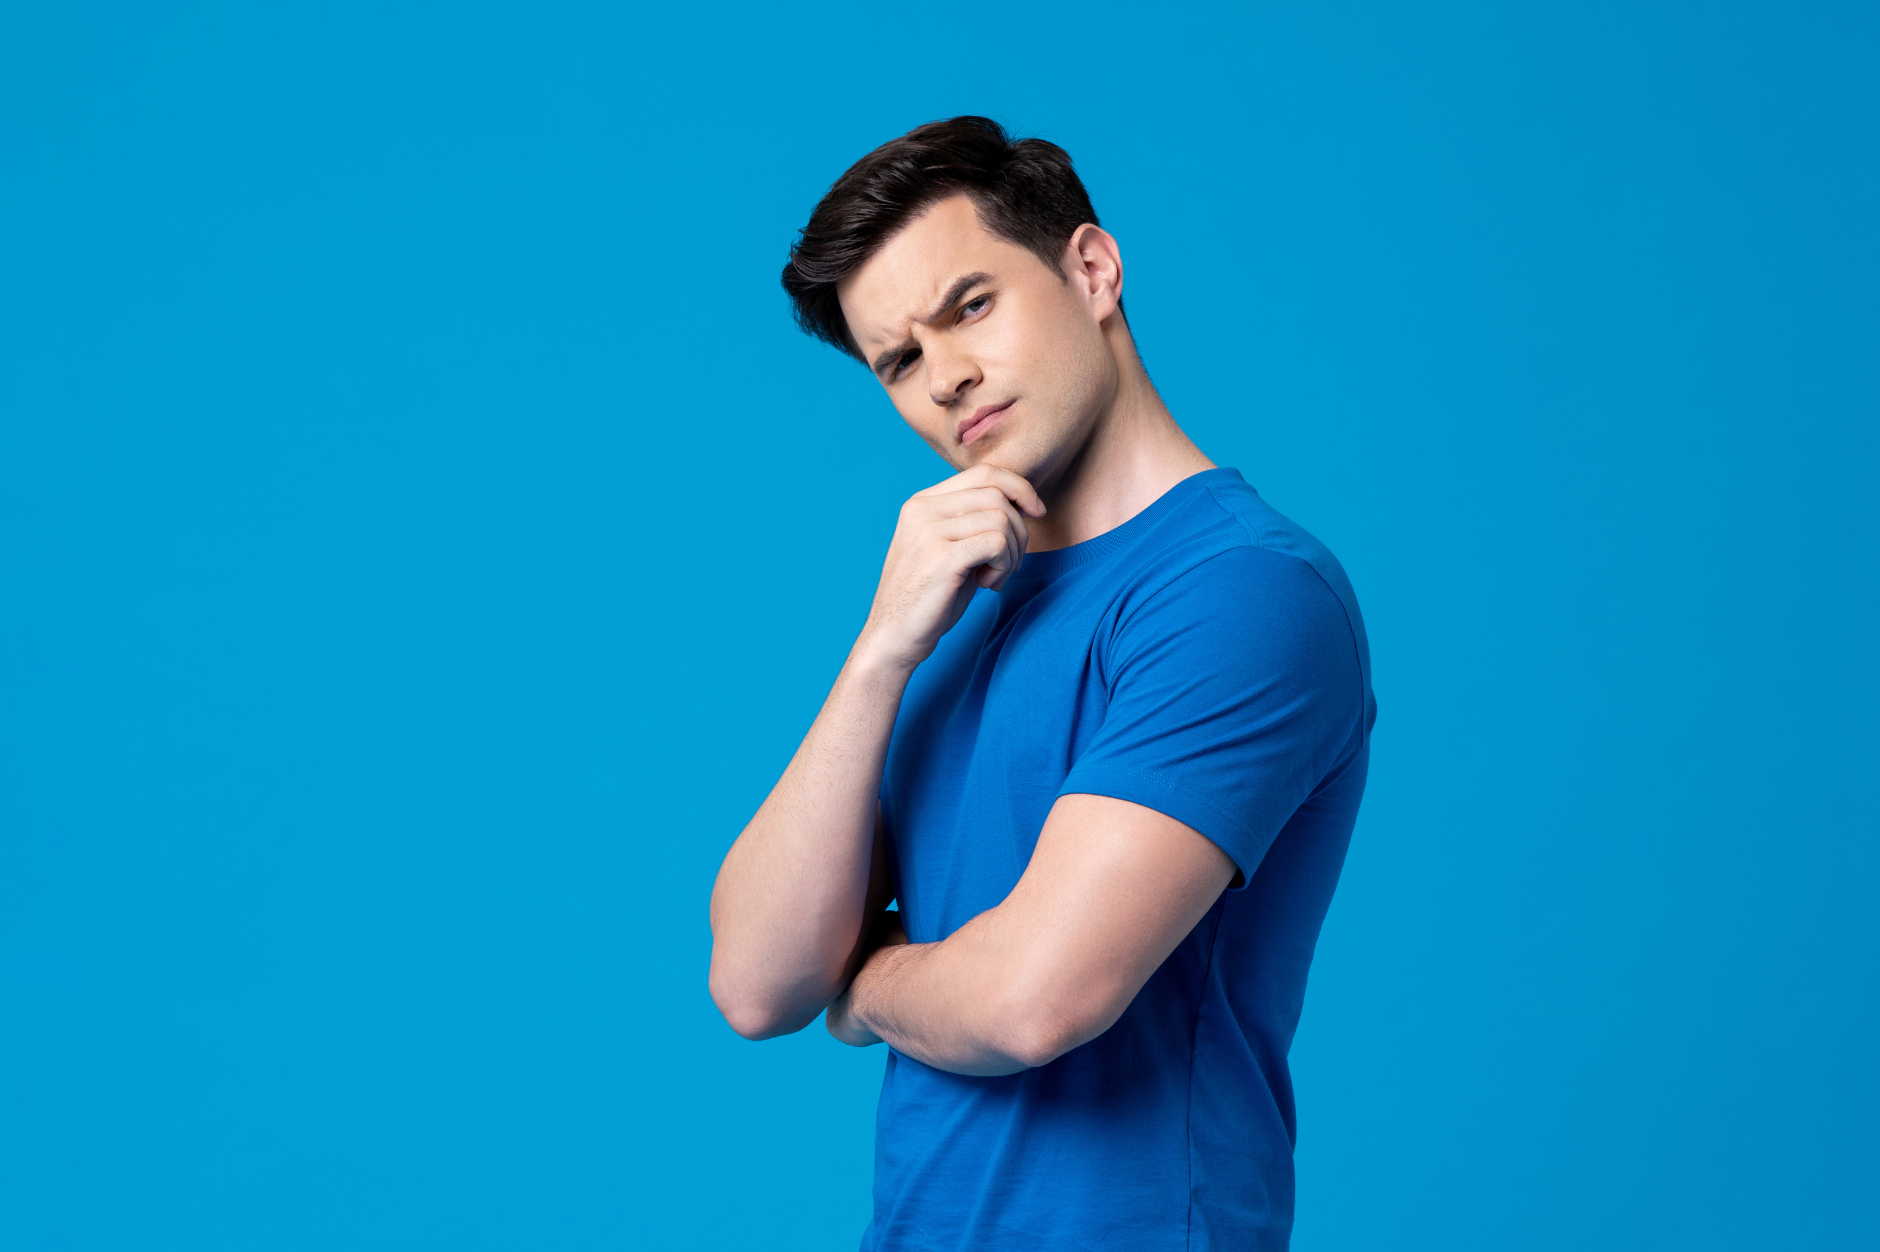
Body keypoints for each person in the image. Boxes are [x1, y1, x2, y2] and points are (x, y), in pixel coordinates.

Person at [708, 116, 1375, 1251]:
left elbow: (1034, 998)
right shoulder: (954, 614)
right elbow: (758, 983)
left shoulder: (1238, 591)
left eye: (970, 305)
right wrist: (879, 651)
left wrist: (864, 988)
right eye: (900, 361)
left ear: (1091, 267)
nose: (947, 375)